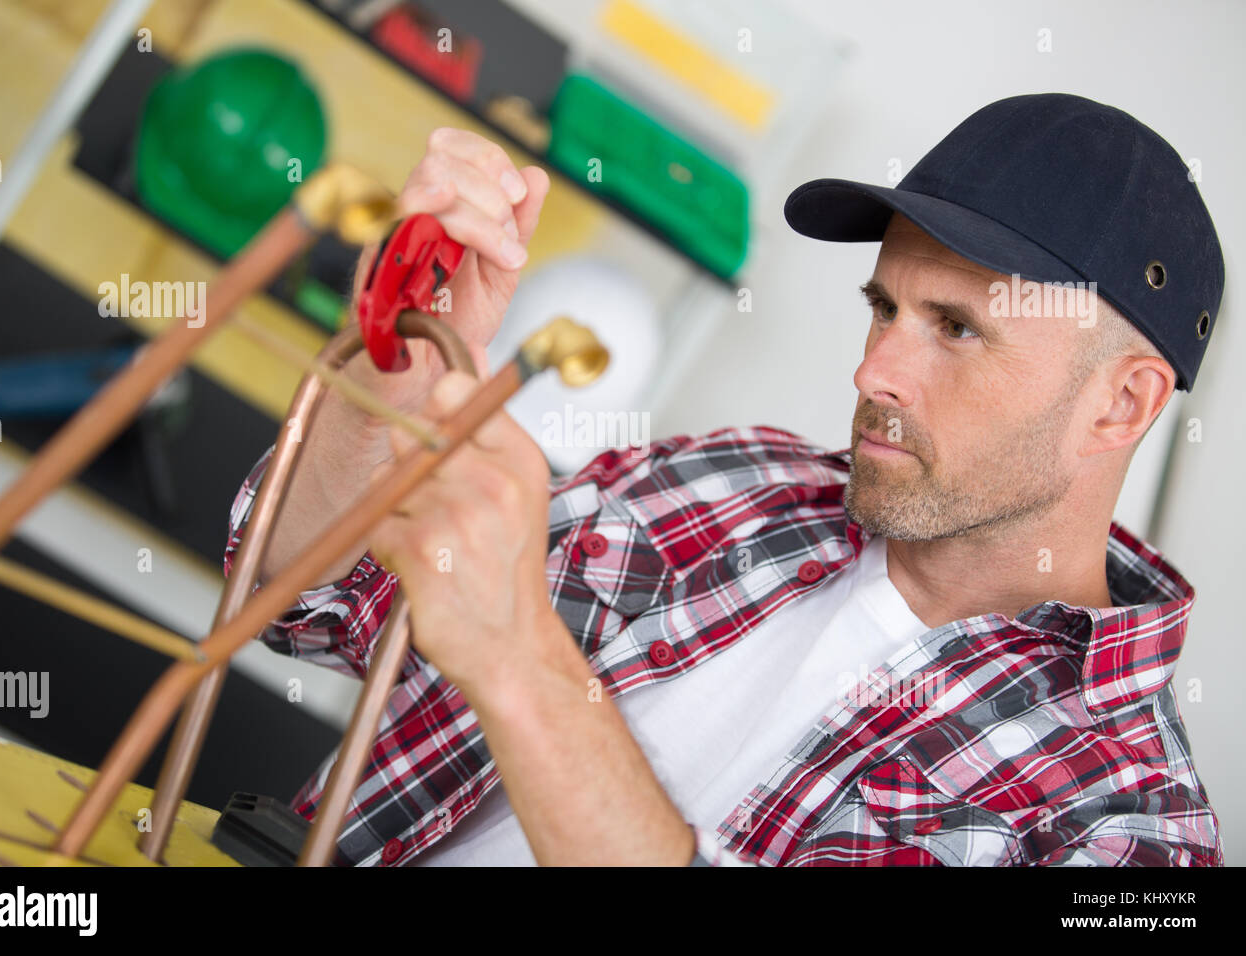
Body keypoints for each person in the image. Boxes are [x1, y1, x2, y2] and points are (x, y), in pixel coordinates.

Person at [226, 94, 1224, 866]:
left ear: (1121, 405)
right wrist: (390, 360)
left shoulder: (1127, 823)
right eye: (885, 307)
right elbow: (303, 594)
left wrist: (526, 663)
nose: (872, 370)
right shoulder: (728, 477)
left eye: (956, 329)